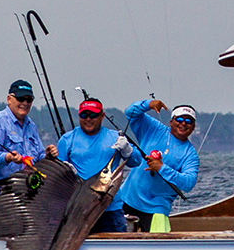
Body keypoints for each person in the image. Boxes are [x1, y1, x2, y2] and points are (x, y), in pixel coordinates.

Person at [44, 98, 140, 233]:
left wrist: (127, 150)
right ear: (79, 116)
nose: (88, 119)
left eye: (93, 115)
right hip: (79, 209)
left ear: (102, 116)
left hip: (110, 209)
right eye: (84, 115)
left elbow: (136, 162)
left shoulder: (115, 137)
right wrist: (60, 167)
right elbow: (57, 178)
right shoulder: (67, 139)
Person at [118, 98, 199, 232]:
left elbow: (189, 183)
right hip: (126, 199)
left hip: (157, 209)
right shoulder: (154, 129)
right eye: (179, 119)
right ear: (171, 121)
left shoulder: (190, 154)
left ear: (193, 127)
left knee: (158, 248)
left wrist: (161, 168)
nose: (183, 123)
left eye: (188, 121)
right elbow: (130, 112)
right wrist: (148, 104)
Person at [0, 80, 46, 208]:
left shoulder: (31, 126)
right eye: (20, 98)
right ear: (9, 99)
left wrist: (49, 154)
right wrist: (8, 157)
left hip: (21, 198)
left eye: (28, 99)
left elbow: (40, 155)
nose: (25, 103)